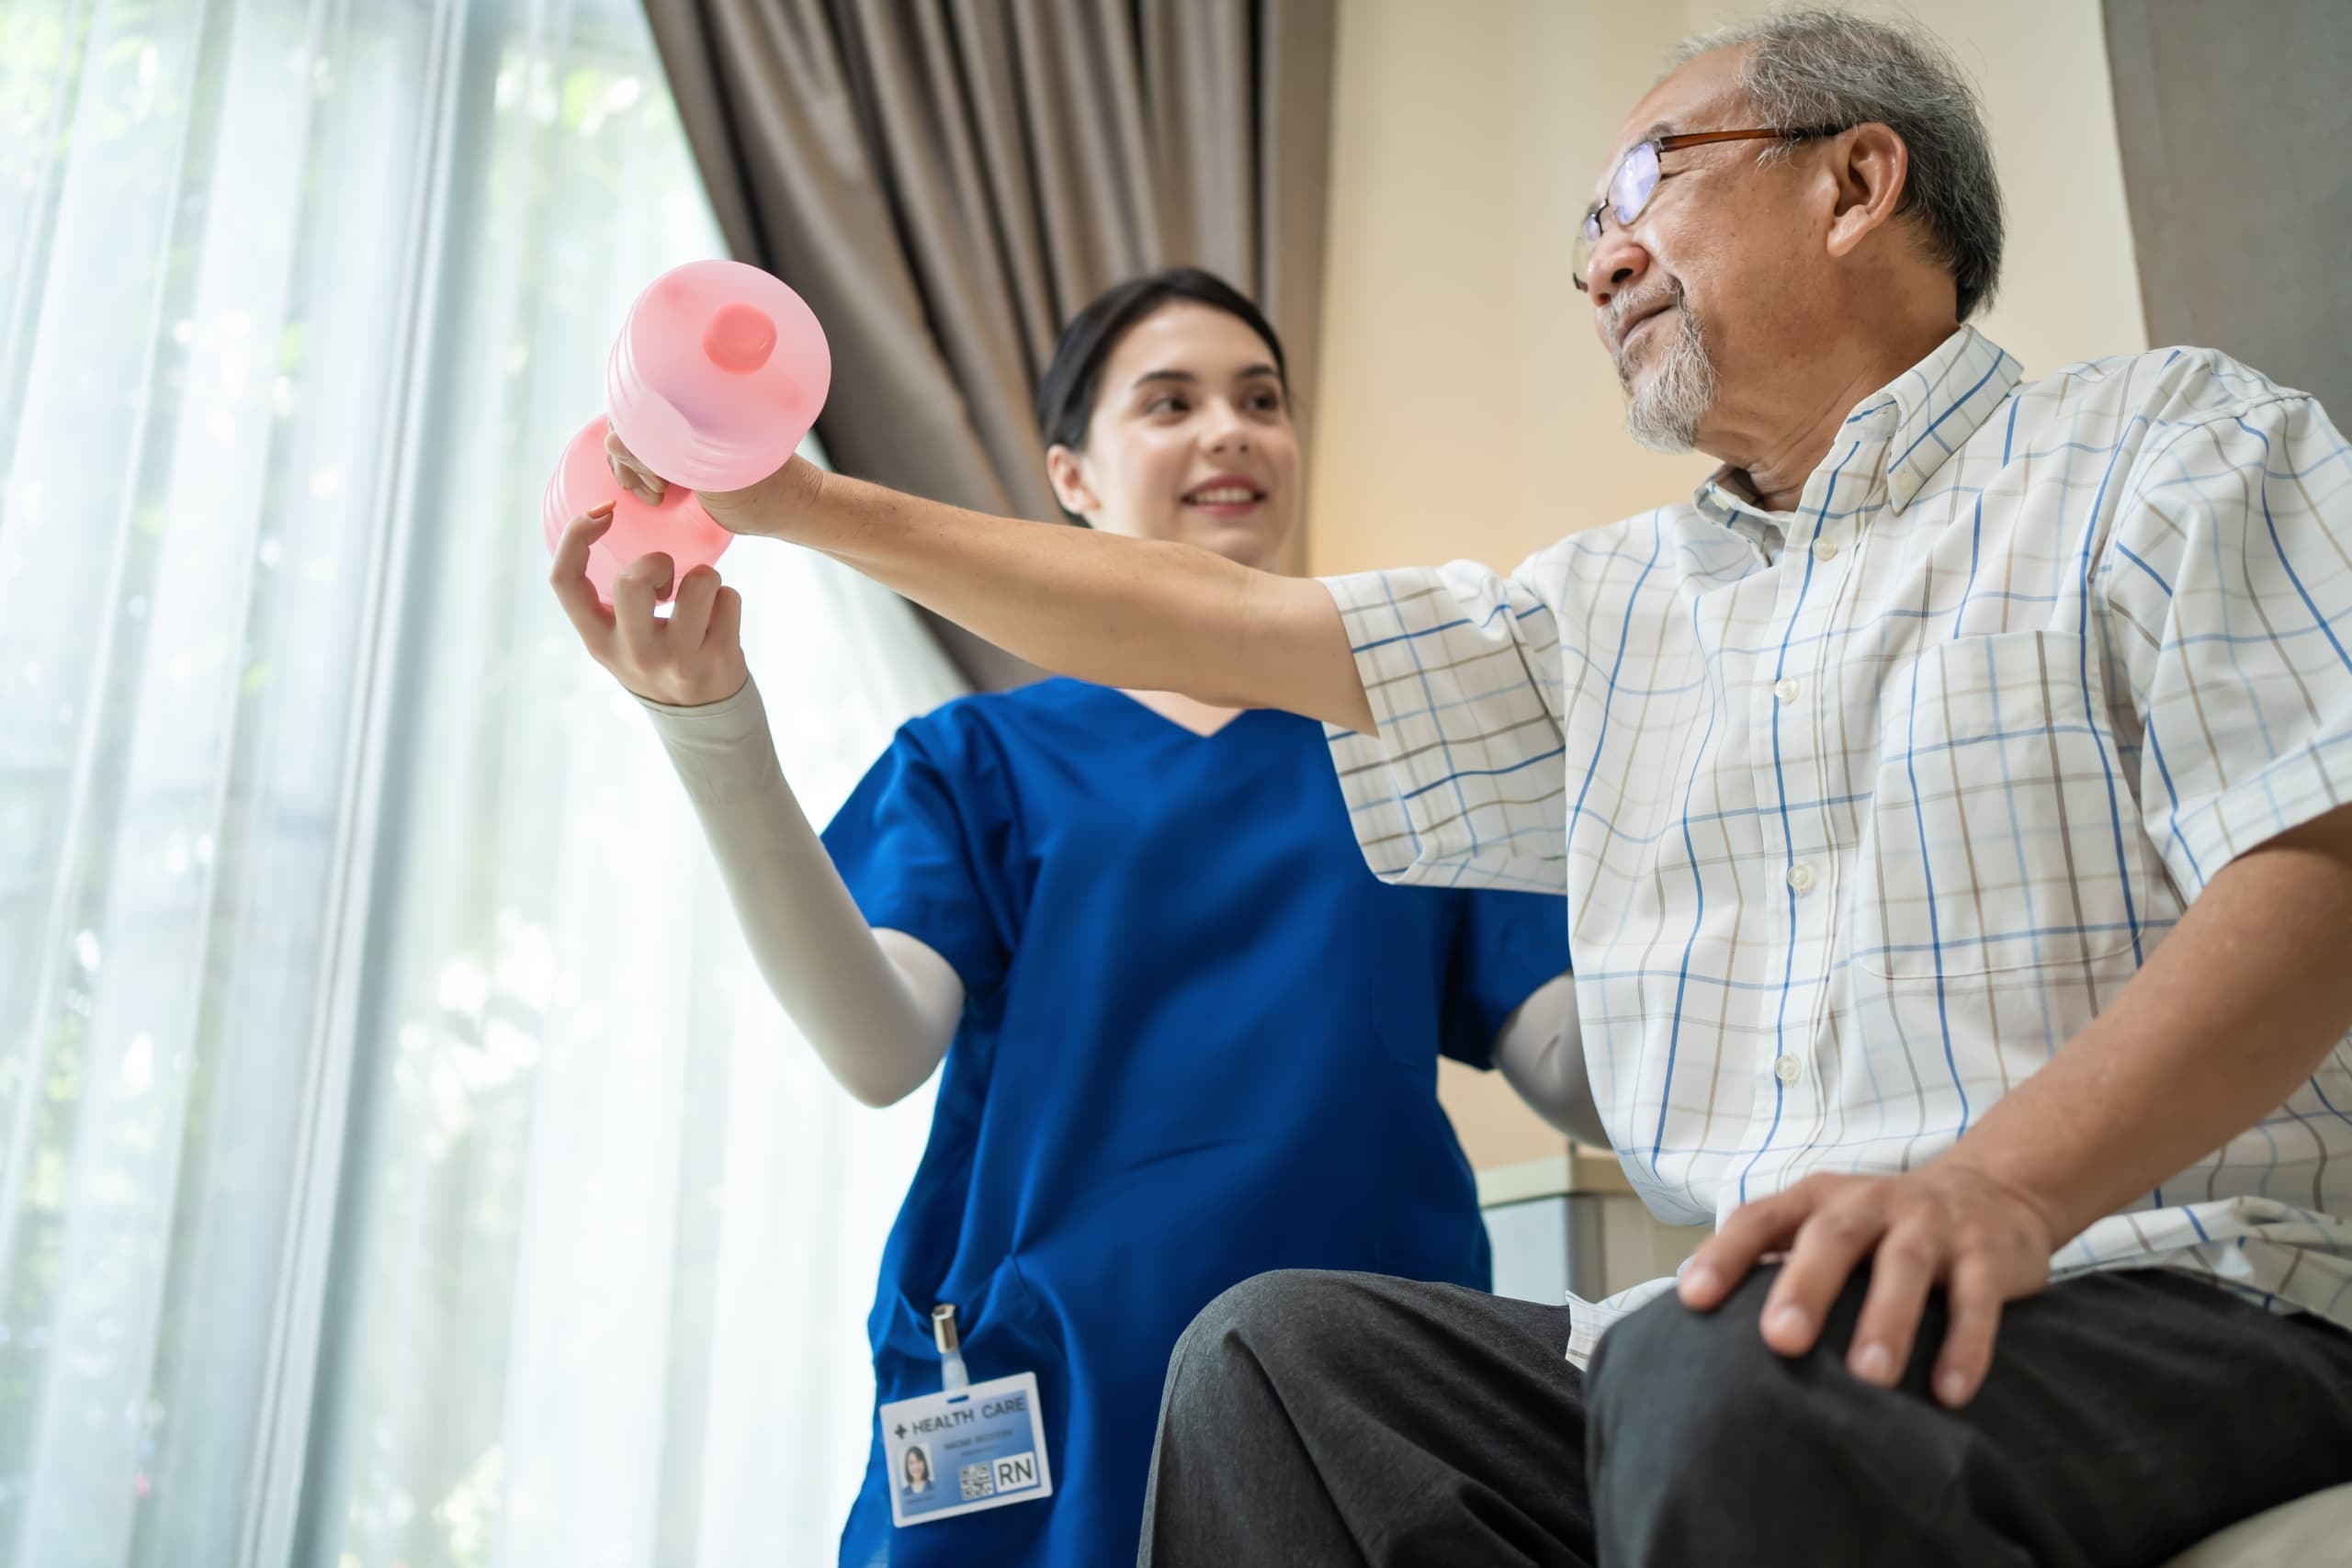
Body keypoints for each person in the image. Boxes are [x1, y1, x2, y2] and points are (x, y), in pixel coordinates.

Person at [563, 9, 2352, 1562]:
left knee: (1714, 1363)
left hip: (2137, 1277)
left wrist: (2000, 1186)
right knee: (1279, 1360)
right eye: (1581, 232)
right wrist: (798, 503)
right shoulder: (1604, 615)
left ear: (1851, 181)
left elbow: (2320, 856)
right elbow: (1222, 632)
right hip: (1732, 1334)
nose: (1594, 264)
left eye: (1636, 187)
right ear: (1069, 469)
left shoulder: (2166, 447)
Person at [549, 267, 1586, 1566]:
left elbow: (1581, 1068)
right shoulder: (980, 759)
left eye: (1261, 399)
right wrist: (711, 726)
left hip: (1350, 1395)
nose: (1231, 429)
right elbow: (877, 1047)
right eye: (1171, 401)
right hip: (1046, 1392)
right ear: (1071, 478)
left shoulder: (1406, 741)